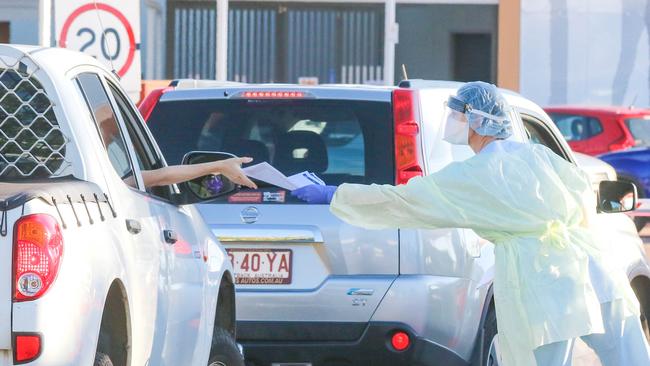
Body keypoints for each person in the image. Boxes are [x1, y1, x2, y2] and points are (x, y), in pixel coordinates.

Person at [291, 81, 650, 366]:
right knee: (629, 353)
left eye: (457, 114)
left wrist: (336, 194)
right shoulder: (537, 155)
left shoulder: (476, 175)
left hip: (541, 279)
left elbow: (404, 201)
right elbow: (581, 196)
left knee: (542, 360)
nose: (451, 122)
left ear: (477, 119)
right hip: (591, 267)